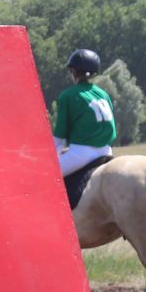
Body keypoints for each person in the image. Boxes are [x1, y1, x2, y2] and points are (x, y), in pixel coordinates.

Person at [53, 49, 116, 206]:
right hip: (107, 151)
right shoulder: (103, 94)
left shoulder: (67, 96)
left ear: (73, 72)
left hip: (82, 153)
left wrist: (51, 158)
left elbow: (60, 135)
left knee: (47, 176)